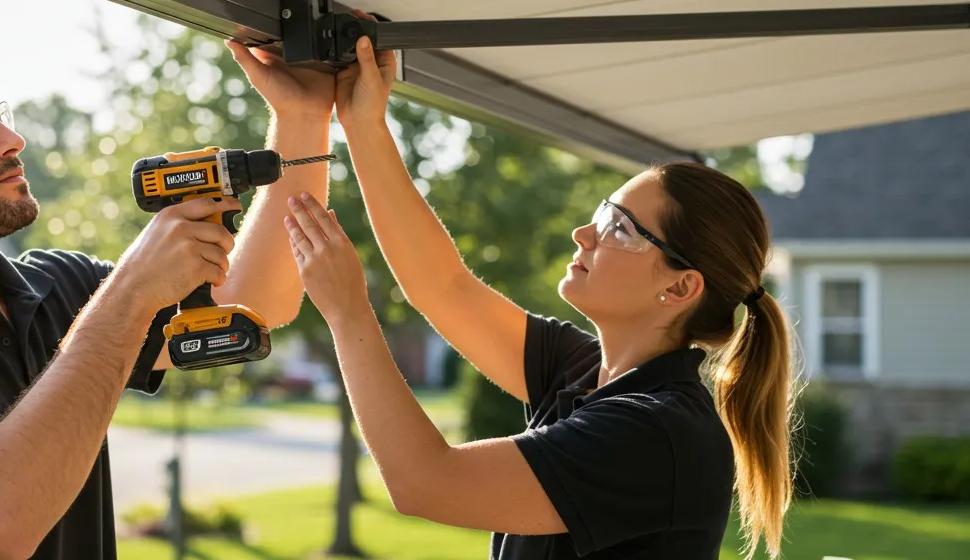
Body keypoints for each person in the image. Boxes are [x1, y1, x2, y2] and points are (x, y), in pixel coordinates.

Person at [0, 26, 333, 559]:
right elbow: (0, 520)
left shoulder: (61, 287)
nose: (11, 141)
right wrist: (132, 291)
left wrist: (302, 116)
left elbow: (254, 303)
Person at [281, 35, 796, 559]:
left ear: (680, 287)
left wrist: (348, 312)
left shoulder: (657, 433)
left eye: (621, 228)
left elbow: (426, 482)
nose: (584, 234)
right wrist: (362, 122)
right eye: (604, 214)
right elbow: (442, 286)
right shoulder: (583, 371)